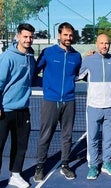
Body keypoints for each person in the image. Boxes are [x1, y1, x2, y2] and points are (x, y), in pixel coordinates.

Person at [33, 22, 82, 182]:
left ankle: (65, 165)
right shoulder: (48, 53)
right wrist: (47, 86)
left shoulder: (76, 56)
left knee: (67, 137)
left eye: (71, 35)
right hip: (50, 101)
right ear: (59, 35)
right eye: (66, 35)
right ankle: (40, 167)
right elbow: (34, 74)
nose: (69, 38)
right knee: (45, 135)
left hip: (69, 101)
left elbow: (77, 75)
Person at [78, 34, 111, 180]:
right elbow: (77, 76)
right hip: (93, 106)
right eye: (101, 43)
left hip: (110, 106)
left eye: (107, 43)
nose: (104, 46)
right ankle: (93, 165)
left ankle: (106, 163)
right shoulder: (88, 60)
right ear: (96, 44)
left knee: (108, 138)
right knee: (92, 138)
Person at [0, 23, 35, 188]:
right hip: (5, 110)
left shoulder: (31, 57)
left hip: (23, 110)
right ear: (18, 36)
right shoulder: (8, 56)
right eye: (25, 36)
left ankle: (15, 175)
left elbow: (32, 79)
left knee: (21, 145)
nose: (28, 40)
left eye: (30, 37)